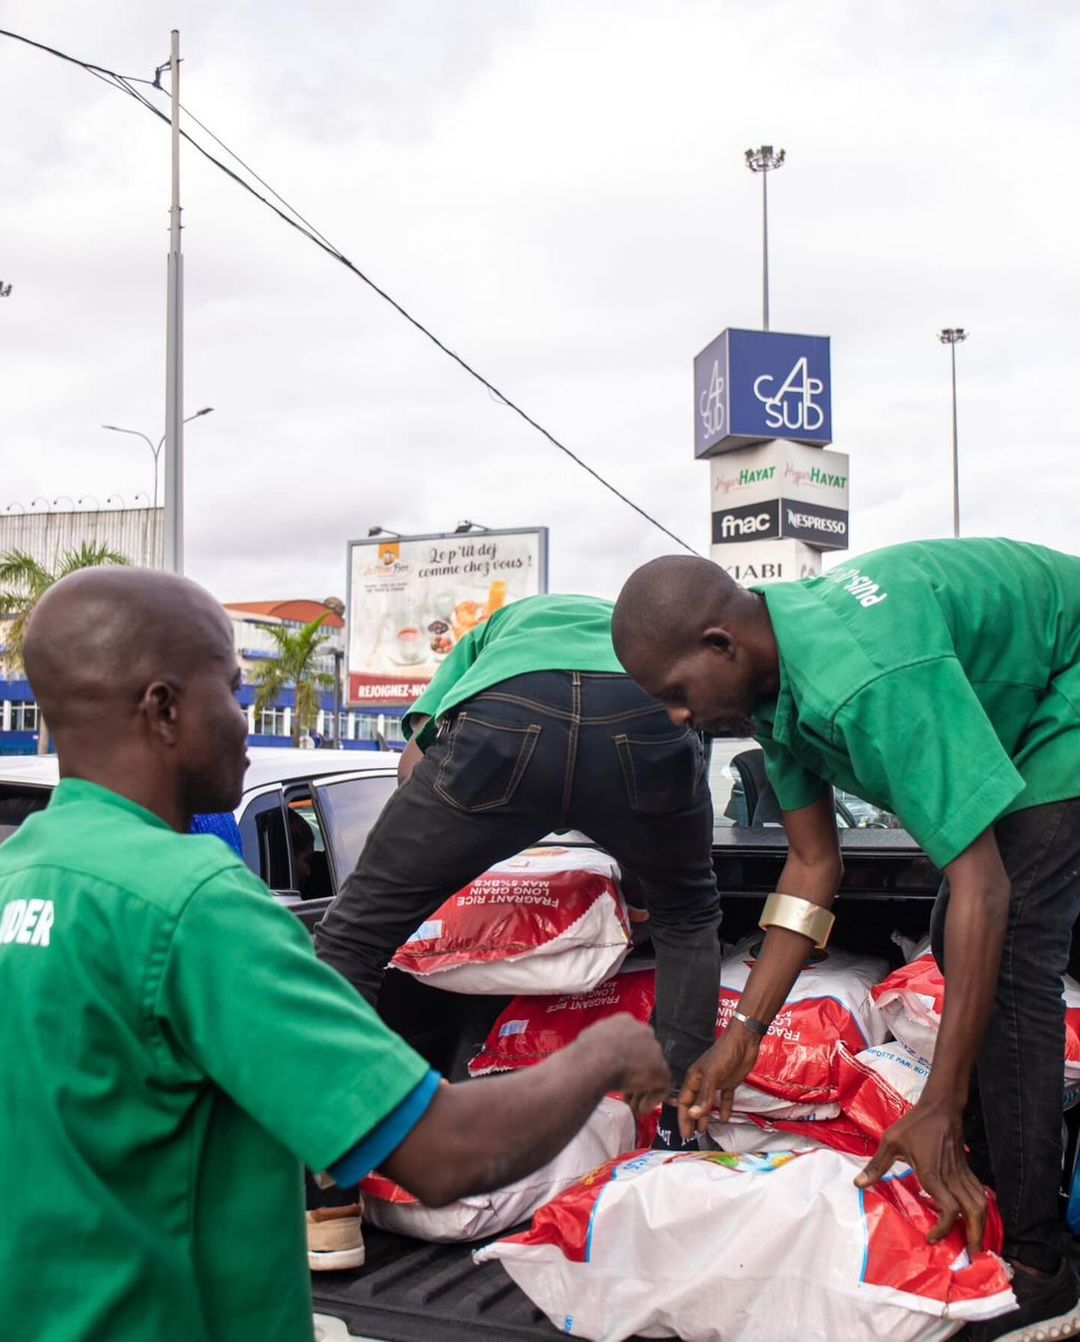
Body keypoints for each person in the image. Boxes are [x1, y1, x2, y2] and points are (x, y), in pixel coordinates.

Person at [0, 568, 669, 1342]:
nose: (246, 721)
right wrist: (603, 1055)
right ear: (165, 710)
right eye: (231, 691)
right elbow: (443, 1157)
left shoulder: (19, 874)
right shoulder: (196, 906)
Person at [612, 539, 1080, 1342]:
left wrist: (940, 1102)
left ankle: (1044, 1267)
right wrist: (743, 1036)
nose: (680, 718)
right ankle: (992, 1194)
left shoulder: (862, 680)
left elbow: (986, 887)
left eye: (677, 693)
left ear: (721, 644)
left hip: (1066, 682)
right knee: (955, 936)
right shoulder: (773, 691)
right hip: (1018, 692)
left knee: (1004, 955)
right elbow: (811, 865)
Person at [314, 593, 722, 1143]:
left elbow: (413, 767)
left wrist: (444, 845)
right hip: (643, 708)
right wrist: (646, 889)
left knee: (352, 940)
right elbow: (667, 822)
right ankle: (679, 1134)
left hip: (508, 707)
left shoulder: (492, 635)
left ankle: (333, 1179)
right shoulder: (640, 640)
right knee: (689, 920)